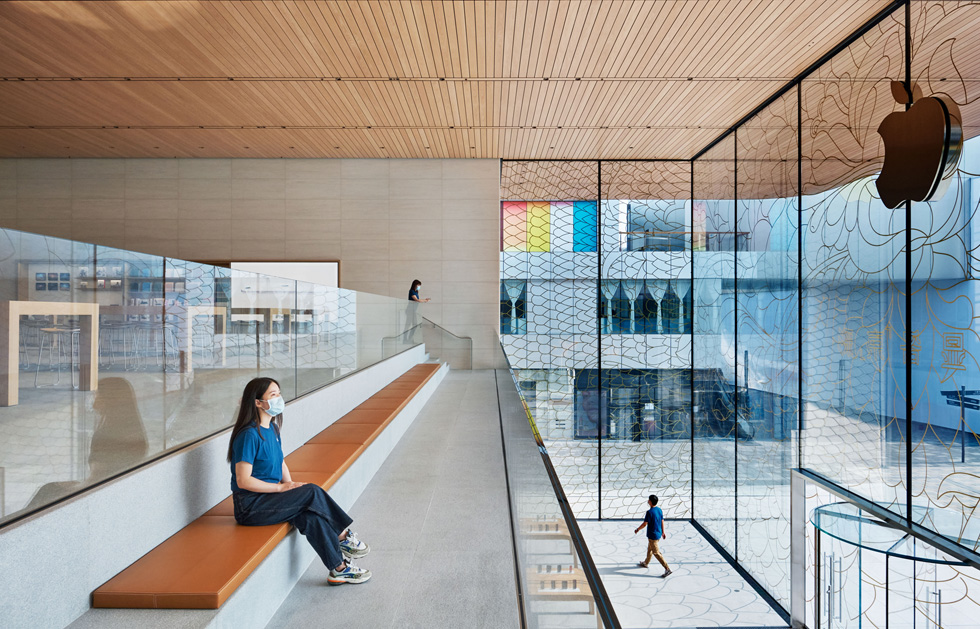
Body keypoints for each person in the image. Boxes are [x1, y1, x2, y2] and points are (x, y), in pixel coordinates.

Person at [228, 377, 371, 585]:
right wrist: (281, 488)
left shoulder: (273, 429)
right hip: (251, 506)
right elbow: (243, 480)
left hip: (270, 499)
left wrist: (291, 487)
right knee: (312, 491)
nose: (279, 399)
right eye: (273, 395)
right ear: (258, 402)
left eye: (279, 393)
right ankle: (343, 535)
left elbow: (280, 462)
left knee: (310, 515)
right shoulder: (249, 435)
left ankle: (339, 568)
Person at [634, 494, 672, 577]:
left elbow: (644, 524)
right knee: (650, 549)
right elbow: (662, 521)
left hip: (653, 535)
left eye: (648, 500)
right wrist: (663, 532)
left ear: (650, 502)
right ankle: (646, 563)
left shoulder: (649, 512)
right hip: (658, 533)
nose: (648, 501)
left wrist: (637, 529)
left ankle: (667, 568)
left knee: (656, 552)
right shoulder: (659, 510)